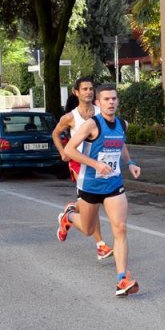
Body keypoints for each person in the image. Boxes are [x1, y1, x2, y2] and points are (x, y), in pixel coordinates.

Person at [58, 83, 142, 297]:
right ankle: (68, 217)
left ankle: (122, 279)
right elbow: (69, 150)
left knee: (120, 228)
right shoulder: (91, 125)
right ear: (98, 103)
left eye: (114, 99)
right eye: (106, 99)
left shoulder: (122, 124)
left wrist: (130, 162)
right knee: (87, 230)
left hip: (113, 184)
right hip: (90, 185)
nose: (111, 102)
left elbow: (121, 144)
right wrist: (95, 165)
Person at [52, 77, 114, 261]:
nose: (88, 92)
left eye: (91, 88)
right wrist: (63, 152)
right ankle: (100, 245)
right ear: (76, 92)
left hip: (100, 163)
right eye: (84, 89)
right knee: (92, 203)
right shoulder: (70, 117)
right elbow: (55, 133)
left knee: (89, 204)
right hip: (79, 163)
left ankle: (69, 215)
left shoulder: (100, 111)